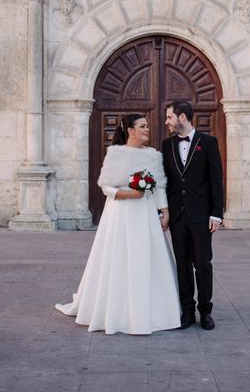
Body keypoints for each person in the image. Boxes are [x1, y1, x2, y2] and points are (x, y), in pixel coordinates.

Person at [55, 114, 180, 335]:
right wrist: (127, 194)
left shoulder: (153, 156)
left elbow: (159, 187)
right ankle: (118, 310)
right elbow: (106, 187)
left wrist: (165, 211)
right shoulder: (115, 154)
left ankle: (152, 310)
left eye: (147, 126)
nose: (147, 130)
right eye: (142, 126)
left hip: (146, 215)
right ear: (130, 131)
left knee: (145, 257)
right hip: (121, 213)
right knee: (119, 257)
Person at [162, 102, 224, 330]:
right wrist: (164, 210)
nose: (167, 121)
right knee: (183, 265)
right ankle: (187, 311)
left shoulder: (208, 143)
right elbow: (167, 181)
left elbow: (216, 180)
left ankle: (205, 311)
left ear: (183, 117)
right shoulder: (167, 145)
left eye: (170, 117)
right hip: (178, 215)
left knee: (203, 263)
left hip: (201, 215)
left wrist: (217, 214)